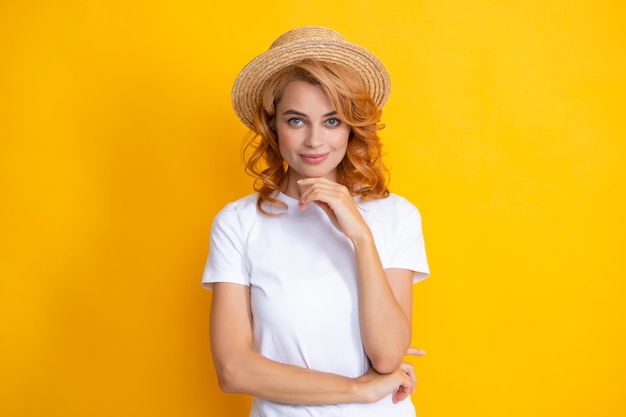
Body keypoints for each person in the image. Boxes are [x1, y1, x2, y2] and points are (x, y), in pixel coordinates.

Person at [202, 26, 430, 417]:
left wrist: (360, 236)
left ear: (351, 127)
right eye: (295, 121)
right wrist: (357, 389)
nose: (314, 141)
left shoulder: (395, 216)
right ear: (272, 125)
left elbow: (388, 353)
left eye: (331, 121)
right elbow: (234, 370)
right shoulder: (239, 223)